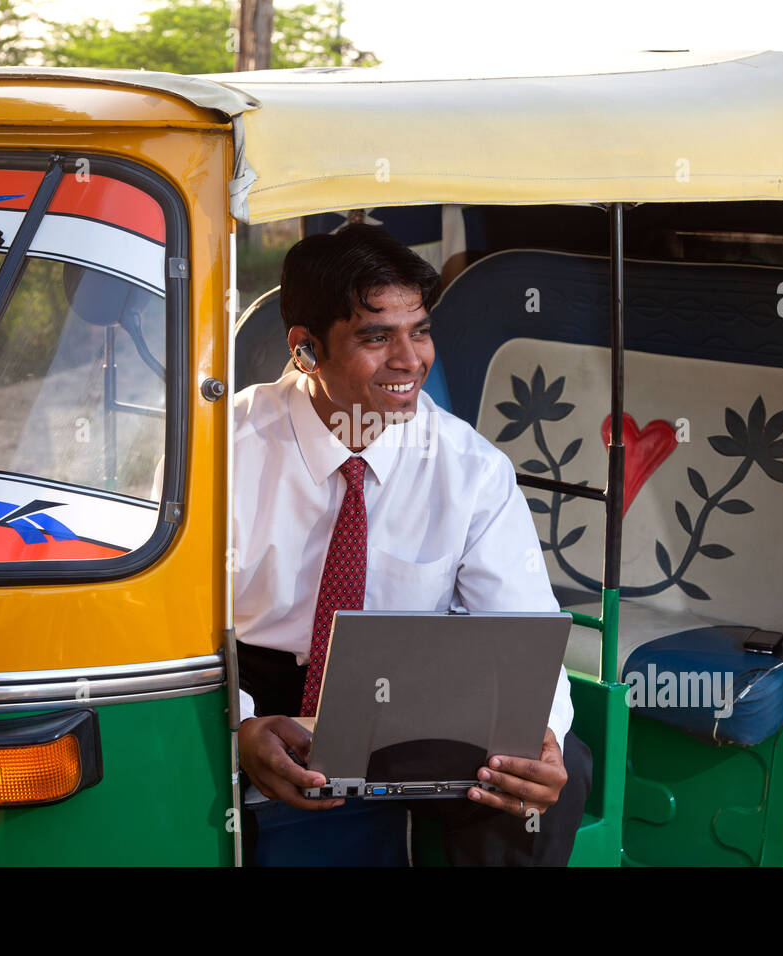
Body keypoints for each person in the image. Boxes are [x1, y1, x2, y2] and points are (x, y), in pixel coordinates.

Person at [233, 223, 592, 866]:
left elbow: (523, 630)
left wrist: (547, 742)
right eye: (376, 337)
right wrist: (238, 724)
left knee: (538, 784)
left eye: (419, 330)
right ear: (306, 349)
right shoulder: (217, 453)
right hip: (251, 682)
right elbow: (166, 626)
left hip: (402, 689)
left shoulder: (472, 469)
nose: (410, 360)